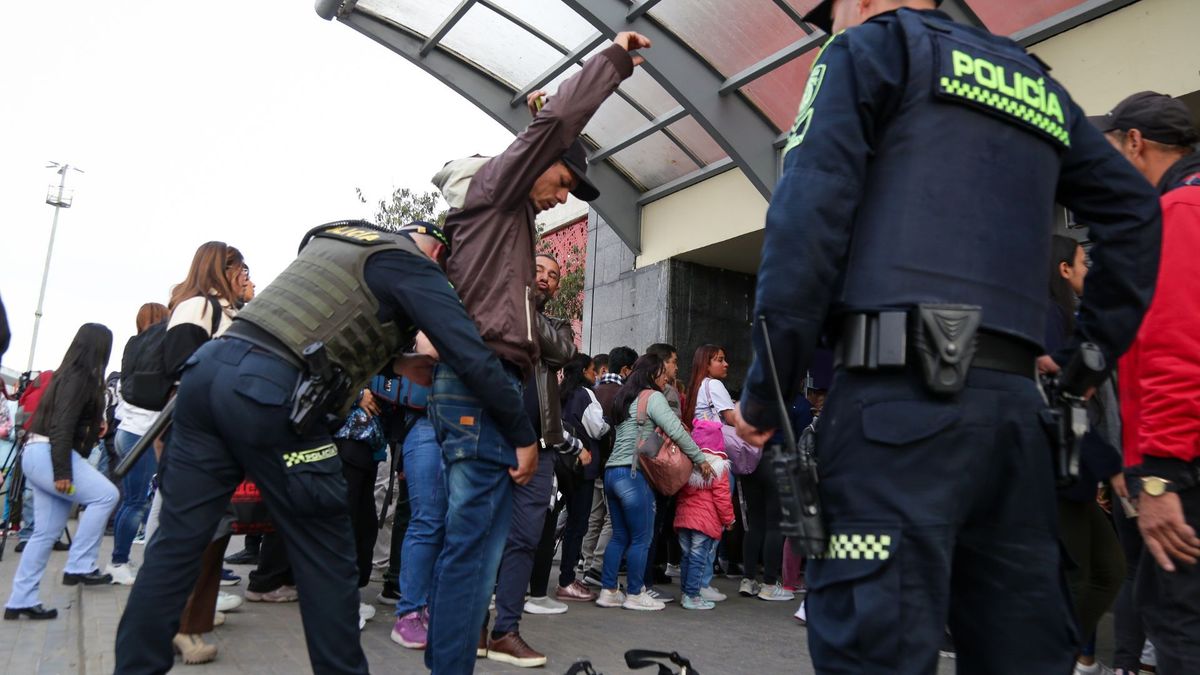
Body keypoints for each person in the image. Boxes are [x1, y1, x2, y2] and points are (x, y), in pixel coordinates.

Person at [731, 0, 1162, 671]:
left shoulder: (863, 51)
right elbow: (1134, 208)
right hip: (1017, 434)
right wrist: (1088, 358)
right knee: (1023, 651)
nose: (833, 27)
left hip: (891, 426)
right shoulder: (1034, 83)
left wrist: (766, 395)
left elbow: (805, 222)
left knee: (873, 647)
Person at [114, 220, 536, 675]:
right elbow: (471, 354)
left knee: (174, 546)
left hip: (206, 377)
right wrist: (522, 434)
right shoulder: (415, 266)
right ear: (439, 254)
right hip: (274, 392)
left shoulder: (340, 239)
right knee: (329, 560)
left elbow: (313, 324)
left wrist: (397, 363)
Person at [427, 31, 647, 672]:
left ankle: (463, 651)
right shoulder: (498, 189)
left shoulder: (508, 212)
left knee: (486, 543)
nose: (563, 198)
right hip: (479, 381)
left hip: (496, 382)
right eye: (565, 180)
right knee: (472, 543)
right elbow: (555, 128)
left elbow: (549, 132)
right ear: (538, 160)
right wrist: (612, 61)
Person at [1096, 91, 1200, 674]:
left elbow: (1176, 349)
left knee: (1180, 623)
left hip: (1184, 469)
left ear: (1135, 143)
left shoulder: (1178, 210)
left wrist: (1159, 479)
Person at [486, 254, 579, 668]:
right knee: (481, 534)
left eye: (552, 276)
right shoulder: (496, 307)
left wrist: (526, 304)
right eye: (538, 270)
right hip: (491, 439)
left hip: (540, 449)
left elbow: (561, 352)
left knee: (525, 539)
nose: (544, 278)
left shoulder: (557, 326)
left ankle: (505, 630)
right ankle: (473, 624)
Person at [1041, 235, 1126, 675]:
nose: (1087, 271)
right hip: (1056, 471)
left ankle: (1060, 657)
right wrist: (1111, 467)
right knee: (1078, 580)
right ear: (1064, 269)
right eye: (1082, 262)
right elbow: (1060, 402)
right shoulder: (1050, 318)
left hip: (1074, 470)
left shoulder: (1067, 318)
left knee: (1110, 570)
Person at [4, 323, 120, 620]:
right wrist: (62, 472)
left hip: (38, 454)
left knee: (44, 533)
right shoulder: (80, 378)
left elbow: (65, 422)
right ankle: (80, 565)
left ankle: (21, 600)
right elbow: (62, 427)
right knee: (106, 495)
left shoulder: (66, 375)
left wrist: (95, 425)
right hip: (50, 455)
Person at [595, 354, 715, 612]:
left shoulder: (624, 398)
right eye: (662, 372)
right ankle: (635, 593)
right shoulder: (652, 397)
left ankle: (609, 591)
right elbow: (676, 429)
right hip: (633, 475)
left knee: (619, 537)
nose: (666, 378)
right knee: (642, 538)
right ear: (652, 374)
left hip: (612, 473)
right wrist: (699, 459)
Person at [106, 302, 170, 586]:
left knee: (133, 500)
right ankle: (118, 562)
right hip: (142, 432)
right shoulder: (161, 347)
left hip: (126, 430)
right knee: (135, 502)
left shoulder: (133, 345)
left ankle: (120, 559)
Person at [579, 345, 637, 586]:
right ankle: (597, 567)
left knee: (593, 517)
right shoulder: (625, 396)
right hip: (612, 464)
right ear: (626, 370)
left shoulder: (592, 392)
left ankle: (586, 563)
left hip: (590, 463)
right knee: (613, 518)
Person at [674, 421, 734, 610]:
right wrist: (729, 520)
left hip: (684, 519)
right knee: (698, 559)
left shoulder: (687, 463)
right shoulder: (719, 466)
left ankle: (685, 592)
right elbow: (722, 498)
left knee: (686, 557)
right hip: (704, 522)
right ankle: (692, 595)